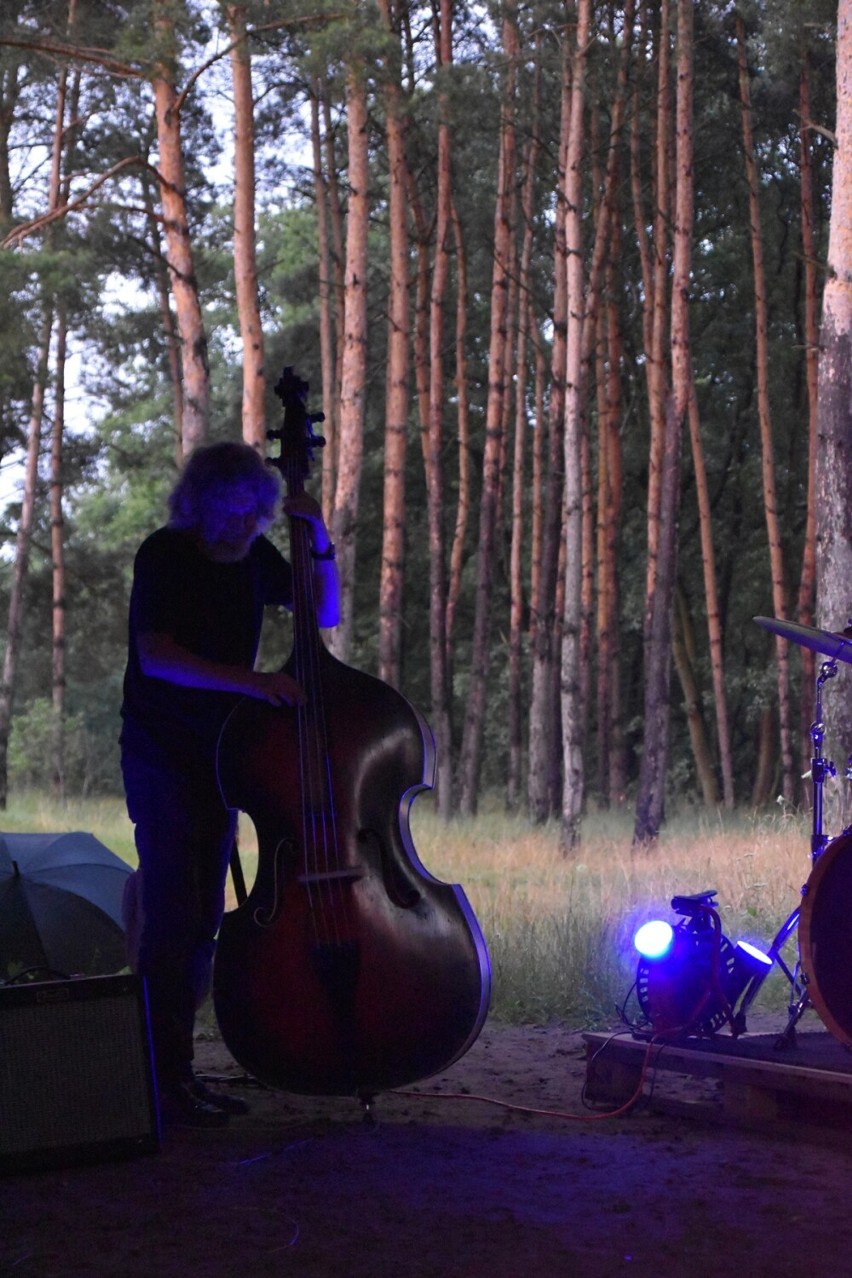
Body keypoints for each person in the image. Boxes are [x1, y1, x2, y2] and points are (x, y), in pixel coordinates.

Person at [120, 439, 340, 1127]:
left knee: (204, 917)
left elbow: (322, 613)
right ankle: (160, 1078)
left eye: (253, 514)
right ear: (200, 504)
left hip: (218, 759)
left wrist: (319, 537)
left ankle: (176, 1073)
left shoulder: (255, 558)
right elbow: (158, 659)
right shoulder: (165, 554)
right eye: (228, 512)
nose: (241, 526)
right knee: (174, 915)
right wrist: (253, 684)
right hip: (161, 755)